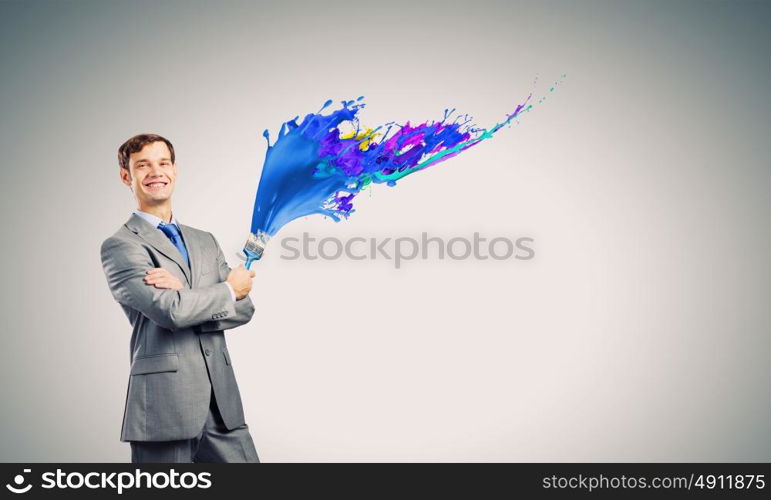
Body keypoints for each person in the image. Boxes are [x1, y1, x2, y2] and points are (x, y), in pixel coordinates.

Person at [100, 133, 260, 463]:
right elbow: (169, 312)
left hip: (223, 403)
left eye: (163, 163)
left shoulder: (205, 241)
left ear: (175, 170)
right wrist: (227, 290)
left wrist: (187, 297)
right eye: (143, 165)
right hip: (164, 405)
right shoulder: (121, 245)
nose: (155, 172)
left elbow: (244, 309)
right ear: (126, 177)